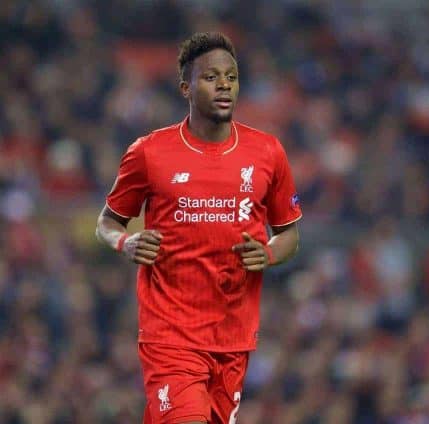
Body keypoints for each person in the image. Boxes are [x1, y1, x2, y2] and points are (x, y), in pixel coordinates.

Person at [95, 32, 302, 424]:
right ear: (186, 88)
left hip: (233, 338)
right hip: (170, 335)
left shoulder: (268, 153)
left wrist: (270, 253)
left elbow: (290, 233)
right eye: (211, 77)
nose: (224, 84)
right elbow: (106, 222)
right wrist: (125, 242)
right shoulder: (149, 152)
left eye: (232, 76)